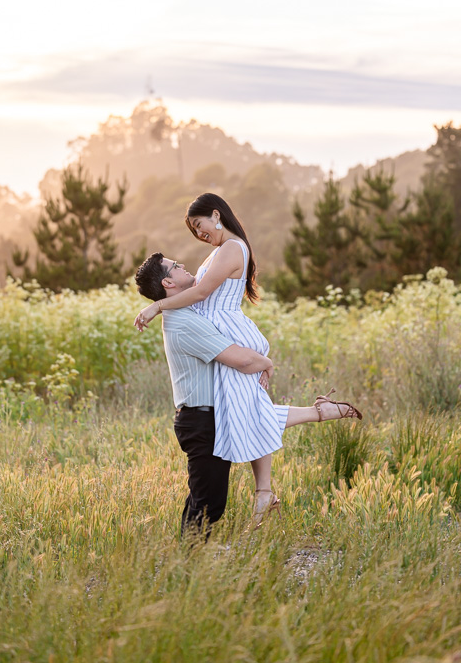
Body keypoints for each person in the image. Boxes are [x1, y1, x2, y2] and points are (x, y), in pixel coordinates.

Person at [134, 194, 361, 523]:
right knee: (252, 409)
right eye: (193, 230)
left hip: (229, 333)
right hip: (222, 334)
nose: (198, 234)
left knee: (252, 408)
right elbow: (196, 293)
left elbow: (198, 293)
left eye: (199, 225)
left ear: (216, 215)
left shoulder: (231, 247)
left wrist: (157, 306)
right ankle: (271, 482)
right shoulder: (219, 251)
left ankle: (266, 490)